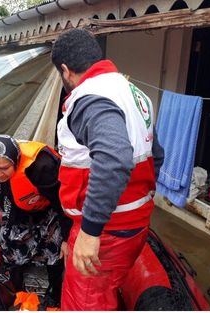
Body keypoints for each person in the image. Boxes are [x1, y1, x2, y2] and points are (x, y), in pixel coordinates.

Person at [51, 28, 165, 310]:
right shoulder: (133, 93)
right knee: (101, 292)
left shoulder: (89, 97)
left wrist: (90, 232)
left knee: (84, 302)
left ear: (65, 70)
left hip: (106, 230)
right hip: (133, 224)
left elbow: (114, 158)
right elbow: (157, 155)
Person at [0, 134, 71, 307]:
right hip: (14, 208)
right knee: (9, 245)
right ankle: (15, 289)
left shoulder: (41, 166)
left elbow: (62, 201)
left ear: (16, 161)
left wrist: (67, 238)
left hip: (46, 208)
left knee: (55, 249)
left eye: (5, 168)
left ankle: (55, 293)